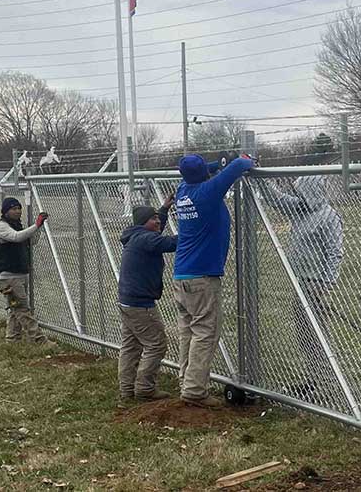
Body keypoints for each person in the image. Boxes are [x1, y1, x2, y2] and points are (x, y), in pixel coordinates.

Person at [173, 152, 255, 407]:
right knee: (205, 333)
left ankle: (186, 381)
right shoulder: (208, 192)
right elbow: (241, 165)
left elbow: (206, 170)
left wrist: (217, 164)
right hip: (202, 277)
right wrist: (243, 157)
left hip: (182, 275)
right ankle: (195, 391)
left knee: (188, 331)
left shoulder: (183, 191)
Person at [258, 177, 344, 396]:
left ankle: (326, 384)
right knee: (304, 334)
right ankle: (314, 380)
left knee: (317, 335)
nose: (297, 196)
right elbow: (275, 199)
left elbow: (335, 253)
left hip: (314, 283)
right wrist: (261, 180)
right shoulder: (299, 209)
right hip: (299, 281)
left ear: (312, 191)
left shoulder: (329, 217)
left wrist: (325, 283)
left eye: (301, 192)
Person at [117, 195, 177, 407]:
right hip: (140, 305)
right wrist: (195, 229)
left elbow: (157, 232)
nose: (158, 222)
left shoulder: (137, 236)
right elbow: (171, 242)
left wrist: (163, 209)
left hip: (127, 301)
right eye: (153, 219)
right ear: (144, 223)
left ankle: (126, 390)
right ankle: (144, 389)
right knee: (156, 344)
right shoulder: (146, 239)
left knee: (131, 346)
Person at [0, 197, 48, 343]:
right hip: (9, 276)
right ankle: (39, 340)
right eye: (13, 209)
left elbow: (32, 240)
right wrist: (36, 225)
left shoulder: (17, 226)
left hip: (20, 273)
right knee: (22, 309)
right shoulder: (1, 227)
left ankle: (12, 339)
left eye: (19, 208)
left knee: (14, 308)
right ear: (5, 211)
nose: (17, 211)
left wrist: (39, 227)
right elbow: (16, 237)